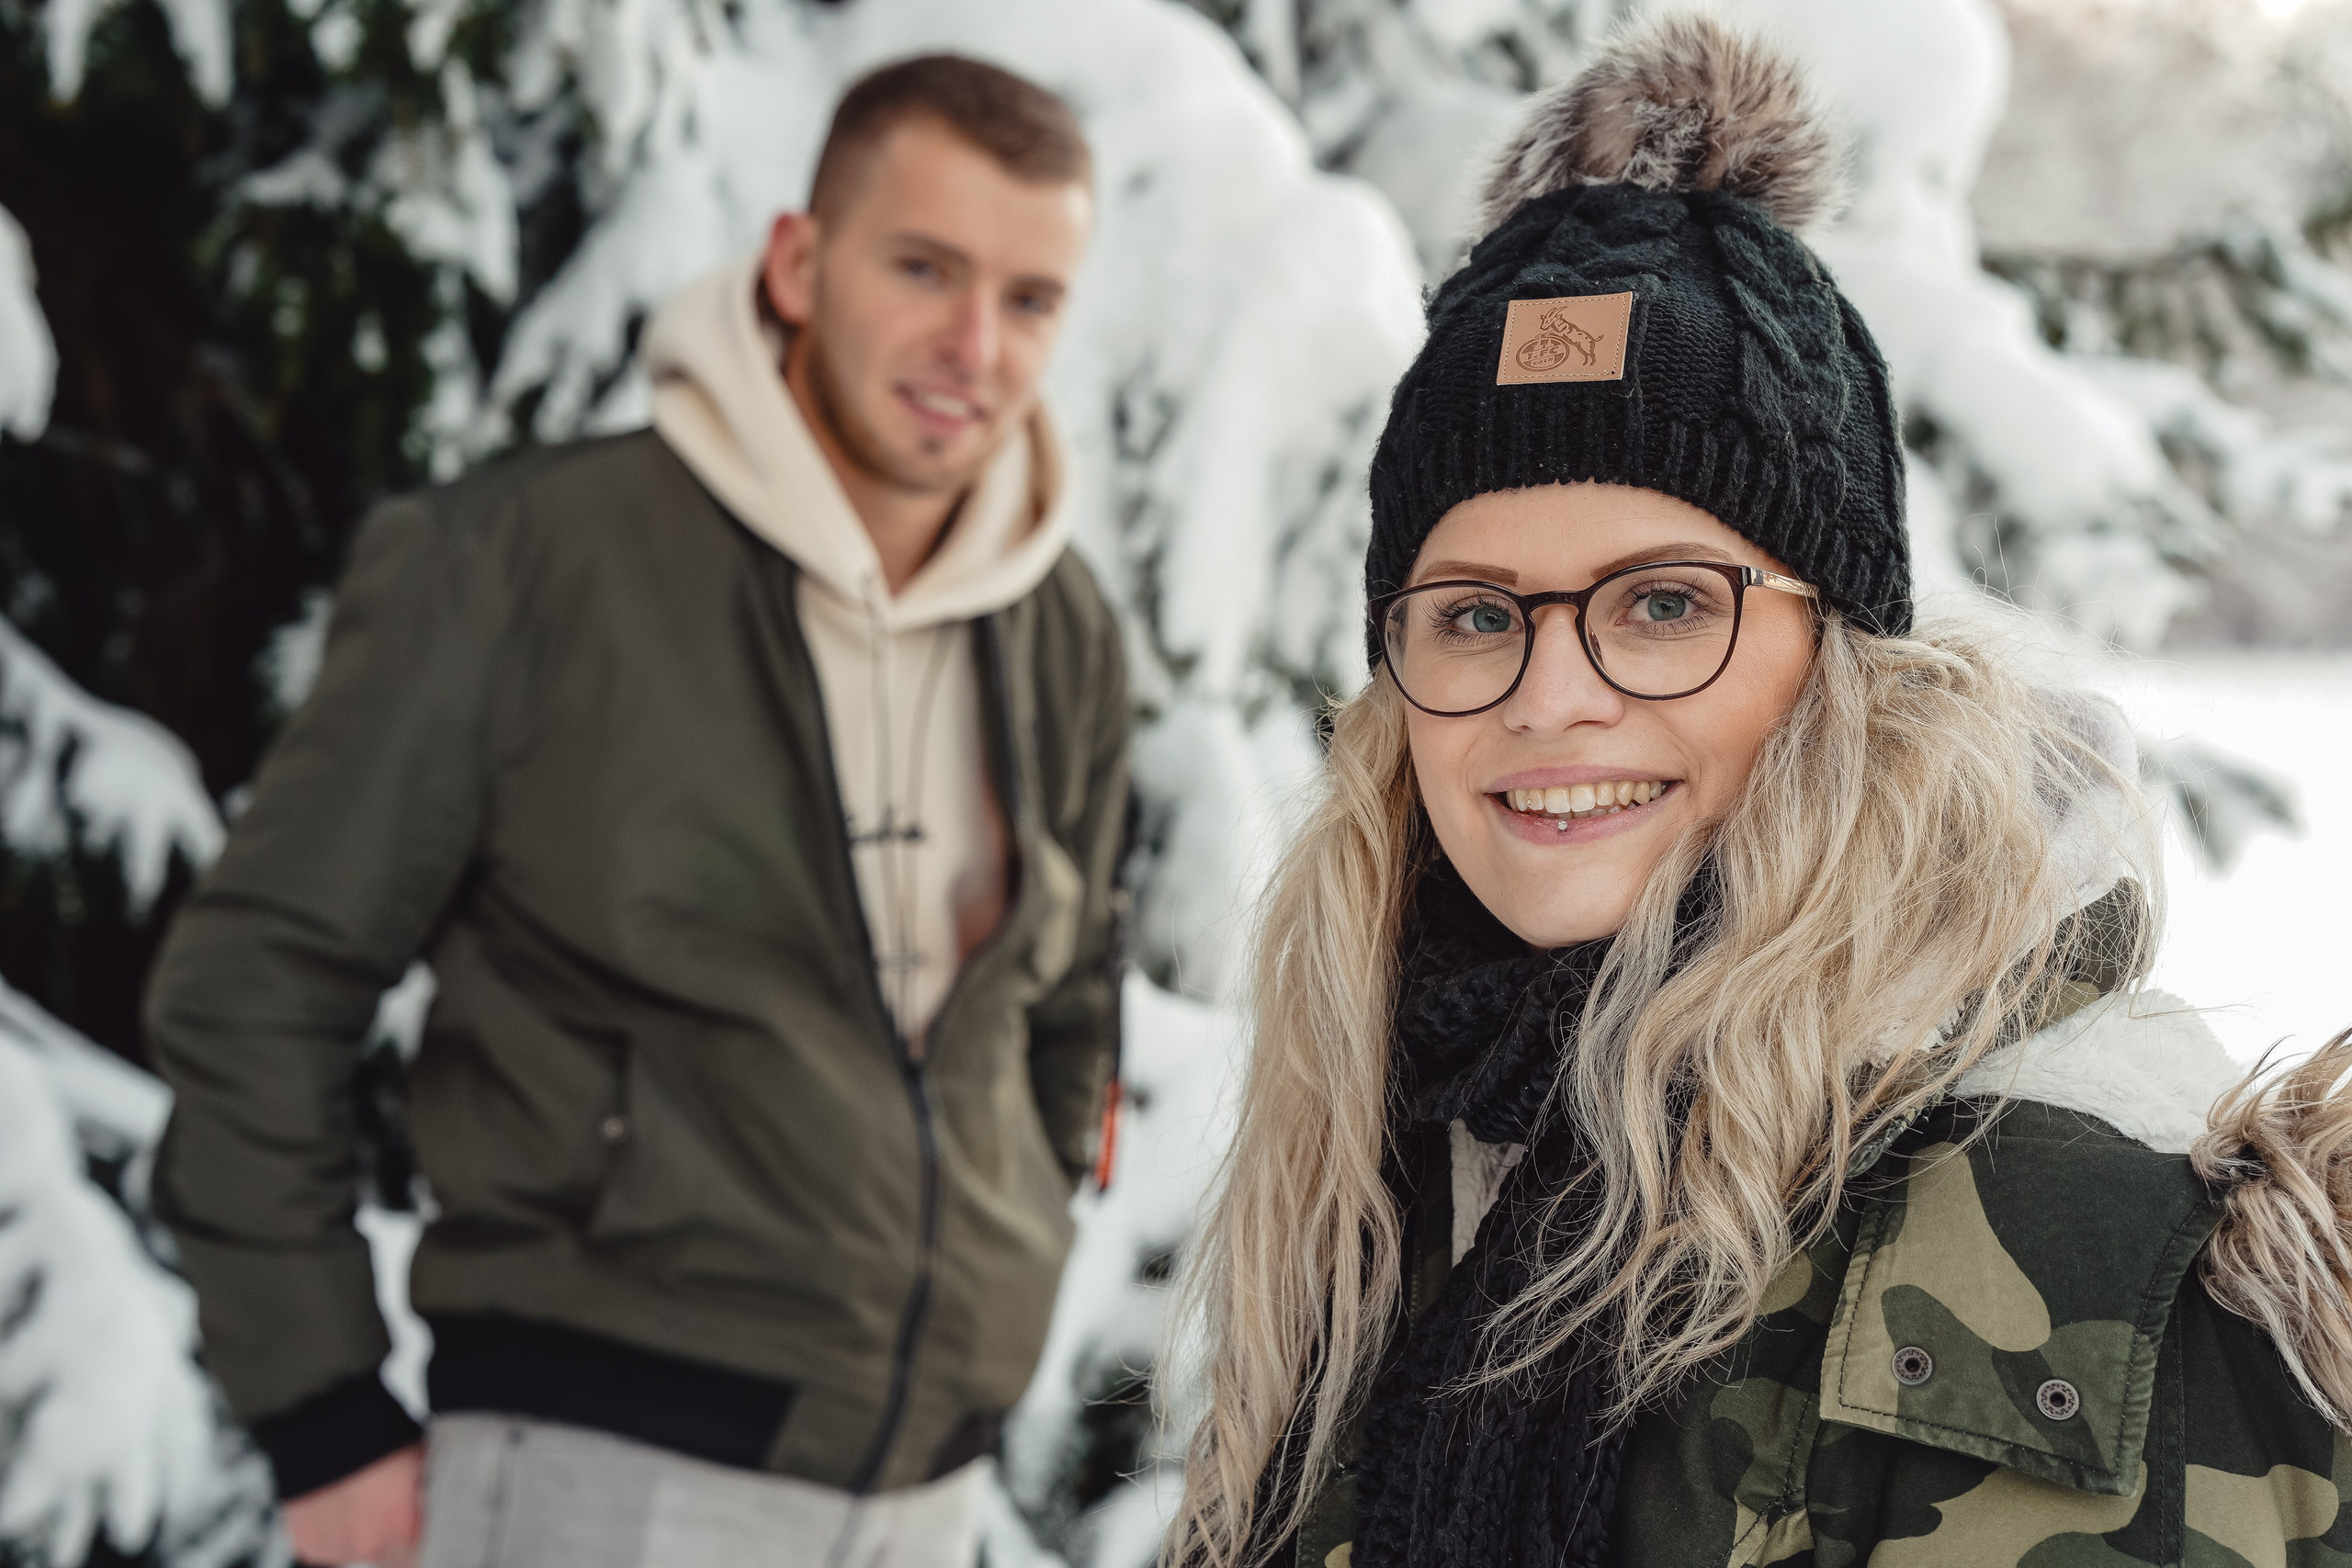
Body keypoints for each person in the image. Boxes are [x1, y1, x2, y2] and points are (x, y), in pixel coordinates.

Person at [1167, 19, 2352, 1568]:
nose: (1550, 694)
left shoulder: (2091, 1247)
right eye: (1473, 613)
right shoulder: (1398, 1158)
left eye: (1662, 603)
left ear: (1837, 659)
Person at [145, 53, 1128, 1568]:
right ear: (799, 264)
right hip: (598, 1468)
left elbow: (1064, 999)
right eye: (924, 268)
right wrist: (321, 1412)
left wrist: (1023, 1226)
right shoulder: (520, 562)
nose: (974, 345)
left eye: (1031, 298)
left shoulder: (1062, 626)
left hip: (923, 1489)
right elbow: (260, 982)